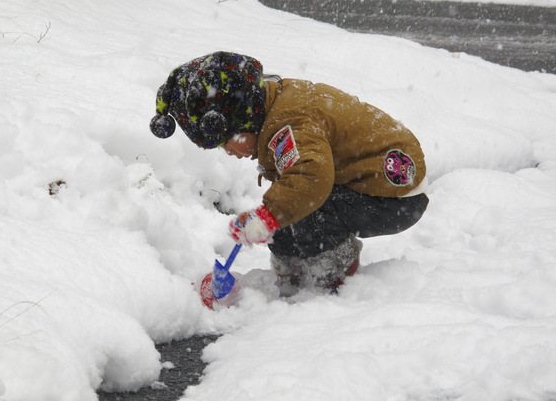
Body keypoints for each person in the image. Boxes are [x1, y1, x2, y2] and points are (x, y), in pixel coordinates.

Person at [150, 51, 429, 296]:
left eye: (225, 142)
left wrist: (268, 217)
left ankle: (332, 275)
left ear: (243, 119)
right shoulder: (274, 111)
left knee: (309, 209)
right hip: (362, 183)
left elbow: (310, 177)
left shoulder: (290, 122)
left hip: (394, 196)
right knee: (288, 215)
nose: (228, 152)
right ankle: (291, 276)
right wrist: (270, 219)